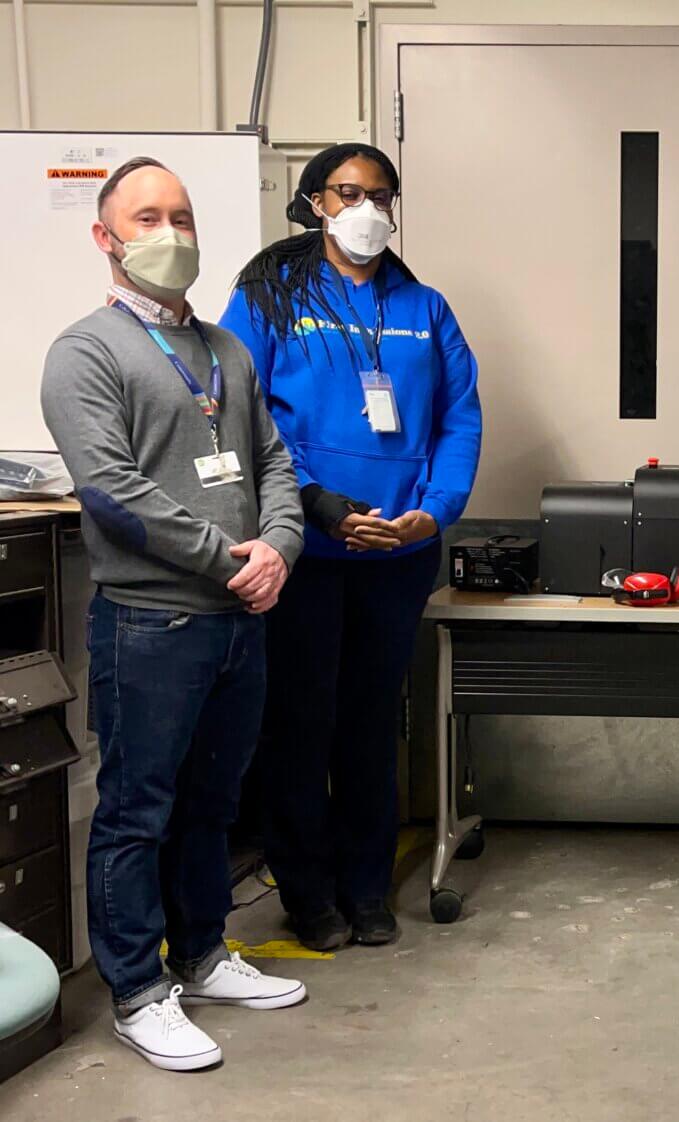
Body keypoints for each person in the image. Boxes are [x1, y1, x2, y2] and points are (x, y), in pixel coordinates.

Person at [41, 157, 308, 1071]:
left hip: (240, 622)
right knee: (136, 811)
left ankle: (199, 954)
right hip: (153, 625)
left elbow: (274, 462)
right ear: (105, 236)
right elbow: (110, 492)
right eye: (148, 217)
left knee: (213, 802)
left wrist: (279, 546)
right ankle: (137, 991)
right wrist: (224, 559)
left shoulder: (225, 350)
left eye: (183, 216)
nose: (171, 234)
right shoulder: (86, 351)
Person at [221, 144, 482, 952]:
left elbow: (460, 417)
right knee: (300, 724)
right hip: (303, 551)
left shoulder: (425, 307)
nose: (365, 208)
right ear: (314, 203)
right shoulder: (269, 296)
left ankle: (368, 889)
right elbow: (241, 412)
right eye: (348, 192)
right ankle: (307, 893)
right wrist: (320, 508)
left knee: (373, 724)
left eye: (380, 195)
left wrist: (431, 515)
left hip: (397, 555)